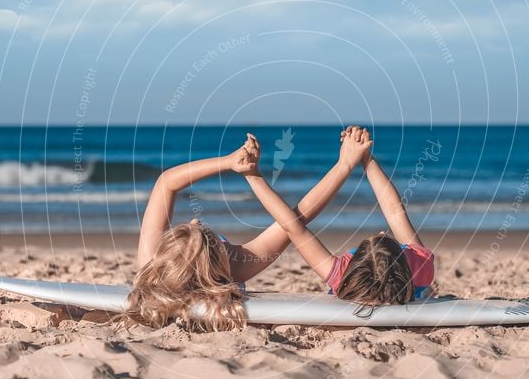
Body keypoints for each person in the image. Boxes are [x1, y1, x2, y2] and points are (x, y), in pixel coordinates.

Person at [124, 129, 370, 331]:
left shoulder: (152, 260)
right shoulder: (235, 266)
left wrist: (229, 162)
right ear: (220, 259)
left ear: (167, 251)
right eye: (208, 236)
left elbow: (166, 183)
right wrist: (345, 165)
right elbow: (297, 219)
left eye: (188, 228)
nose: (196, 222)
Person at [242, 127, 435, 309]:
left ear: (352, 264)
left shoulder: (342, 275)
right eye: (386, 237)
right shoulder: (419, 264)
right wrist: (367, 159)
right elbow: (395, 213)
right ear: (404, 260)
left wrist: (253, 176)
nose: (383, 231)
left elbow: (293, 227)